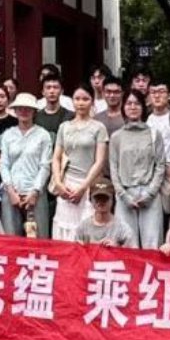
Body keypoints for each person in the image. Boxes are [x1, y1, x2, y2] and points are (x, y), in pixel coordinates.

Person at [109, 88, 167, 249]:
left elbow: (160, 165)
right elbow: (114, 167)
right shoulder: (116, 137)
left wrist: (150, 193)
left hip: (149, 193)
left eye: (137, 103)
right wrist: (123, 195)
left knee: (152, 244)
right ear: (123, 107)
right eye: (129, 103)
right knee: (127, 244)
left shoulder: (154, 134)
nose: (133, 107)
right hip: (124, 194)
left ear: (143, 107)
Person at [50, 87, 109, 240]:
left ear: (92, 102)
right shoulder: (64, 127)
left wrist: (83, 187)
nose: (81, 103)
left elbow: (100, 161)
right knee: (64, 228)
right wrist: (59, 183)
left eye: (85, 99)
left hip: (89, 184)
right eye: (77, 99)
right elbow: (56, 158)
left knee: (87, 229)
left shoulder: (99, 128)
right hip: (67, 184)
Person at [0, 92, 54, 237]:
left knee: (38, 238)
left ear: (34, 111)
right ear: (15, 111)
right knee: (10, 238)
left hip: (35, 193)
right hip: (12, 192)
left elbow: (45, 166)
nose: (24, 112)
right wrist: (10, 191)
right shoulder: (7, 135)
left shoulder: (43, 135)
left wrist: (35, 191)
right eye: (20, 108)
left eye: (28, 109)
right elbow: (3, 164)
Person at [74, 180, 133, 246]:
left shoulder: (122, 228)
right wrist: (79, 247)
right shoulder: (83, 227)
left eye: (105, 198)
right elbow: (74, 249)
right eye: (97, 198)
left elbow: (132, 250)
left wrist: (117, 247)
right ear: (90, 199)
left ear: (113, 199)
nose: (101, 201)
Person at [34, 73, 71, 137]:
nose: (52, 91)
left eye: (55, 87)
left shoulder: (70, 116)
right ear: (43, 92)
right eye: (48, 88)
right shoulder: (36, 118)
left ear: (61, 91)